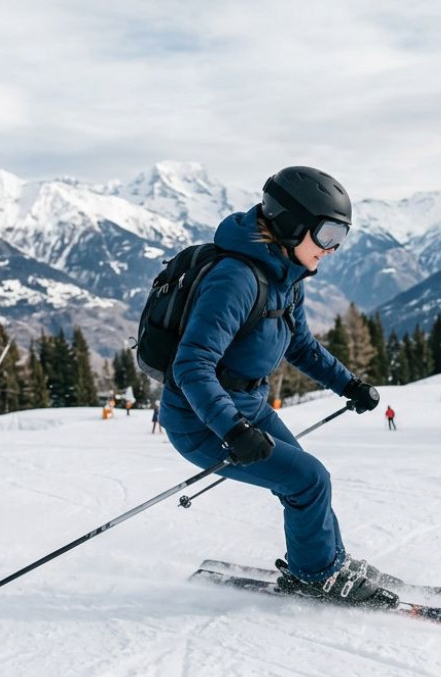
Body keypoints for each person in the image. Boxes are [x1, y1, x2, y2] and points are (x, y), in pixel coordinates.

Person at [160, 165, 395, 607]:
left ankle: (327, 560)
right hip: (200, 419)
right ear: (290, 223)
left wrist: (350, 386)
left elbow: (301, 346)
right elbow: (192, 364)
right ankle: (316, 574)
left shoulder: (285, 276)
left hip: (246, 403)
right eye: (326, 234)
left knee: (306, 478)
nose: (332, 249)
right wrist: (232, 430)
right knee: (309, 479)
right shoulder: (237, 279)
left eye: (340, 237)